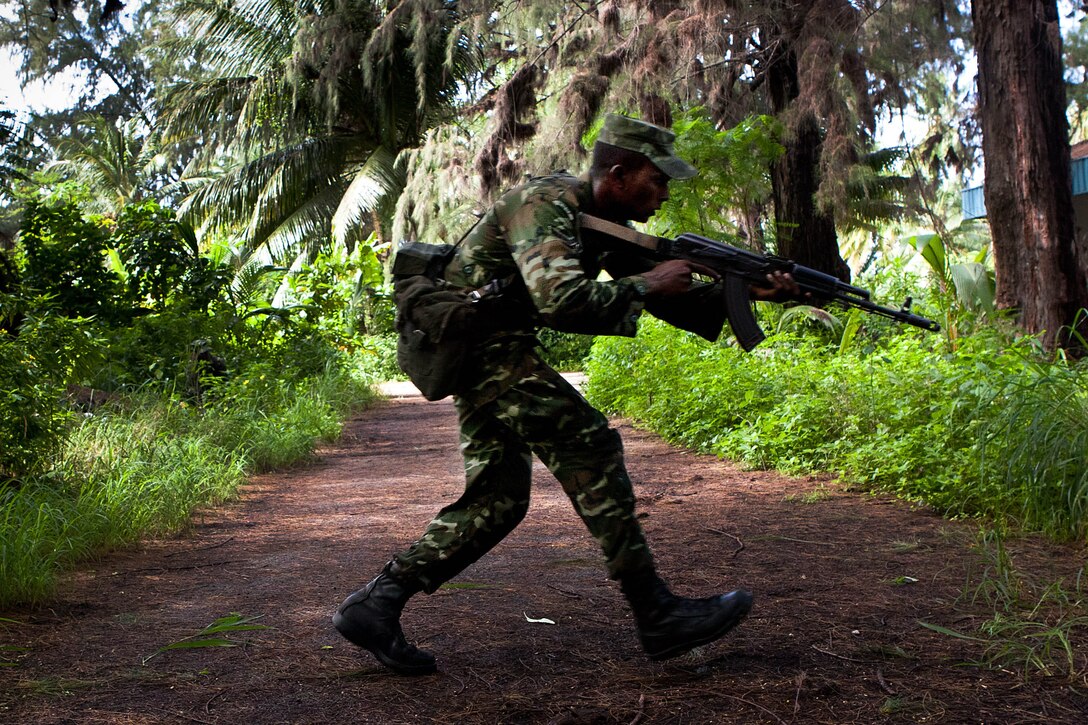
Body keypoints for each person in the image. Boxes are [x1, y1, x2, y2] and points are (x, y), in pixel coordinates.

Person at [333, 113, 798, 675]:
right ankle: (657, 614)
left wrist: (749, 291)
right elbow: (560, 298)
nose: (665, 192)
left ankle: (376, 605)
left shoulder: (605, 220)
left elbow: (664, 298)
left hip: (486, 349)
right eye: (658, 179)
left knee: (497, 500)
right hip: (479, 346)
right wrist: (646, 282)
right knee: (590, 447)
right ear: (619, 174)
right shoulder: (546, 204)